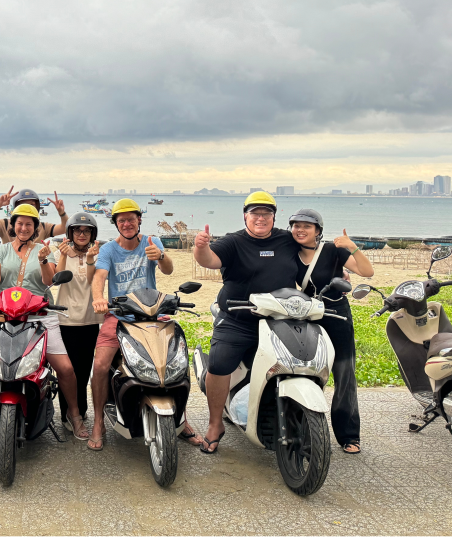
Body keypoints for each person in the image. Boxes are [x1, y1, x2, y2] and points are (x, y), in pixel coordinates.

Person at [0, 204, 90, 440]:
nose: (23, 228)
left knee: (65, 368)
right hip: (2, 314)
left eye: (29, 224)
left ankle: (74, 415)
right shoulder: (1, 250)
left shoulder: (45, 249)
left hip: (39, 314)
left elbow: (47, 282)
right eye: (19, 223)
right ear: (13, 226)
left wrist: (43, 260)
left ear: (35, 228)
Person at [193, 191, 301, 454]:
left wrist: (338, 267)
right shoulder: (233, 242)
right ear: (245, 216)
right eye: (255, 213)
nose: (261, 218)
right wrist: (201, 246)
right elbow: (210, 261)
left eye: (266, 213)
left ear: (275, 217)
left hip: (279, 320)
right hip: (237, 318)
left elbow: (311, 258)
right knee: (219, 365)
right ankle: (215, 424)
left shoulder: (287, 240)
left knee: (296, 364)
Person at [88, 199, 195, 451]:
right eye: (121, 220)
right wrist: (99, 298)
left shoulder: (151, 242)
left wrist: (161, 256)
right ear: (115, 224)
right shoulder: (108, 250)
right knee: (101, 365)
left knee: (176, 360)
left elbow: (167, 270)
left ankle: (183, 419)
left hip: (151, 312)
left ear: (139, 221)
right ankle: (98, 421)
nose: (127, 223)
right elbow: (99, 277)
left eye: (131, 219)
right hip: (119, 314)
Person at [290, 209, 374, 455]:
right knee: (305, 374)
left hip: (336, 316)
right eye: (296, 226)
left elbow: (366, 272)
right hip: (306, 317)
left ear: (318, 230)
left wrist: (353, 247)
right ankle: (304, 430)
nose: (300, 230)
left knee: (344, 374)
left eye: (307, 226)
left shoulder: (333, 251)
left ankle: (348, 434)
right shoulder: (288, 252)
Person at [54, 212, 102, 428]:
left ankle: (80, 412)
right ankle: (66, 413)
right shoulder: (61, 252)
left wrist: (91, 259)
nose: (82, 234)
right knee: (67, 371)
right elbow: (56, 278)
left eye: (87, 230)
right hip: (66, 319)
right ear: (70, 232)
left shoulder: (98, 255)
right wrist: (64, 255)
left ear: (93, 233)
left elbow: (93, 280)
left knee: (84, 370)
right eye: (77, 230)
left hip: (90, 320)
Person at [0, 187, 68, 244]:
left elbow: (65, 228)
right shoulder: (5, 224)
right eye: (22, 205)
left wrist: (62, 213)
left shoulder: (42, 227)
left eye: (31, 205)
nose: (27, 208)